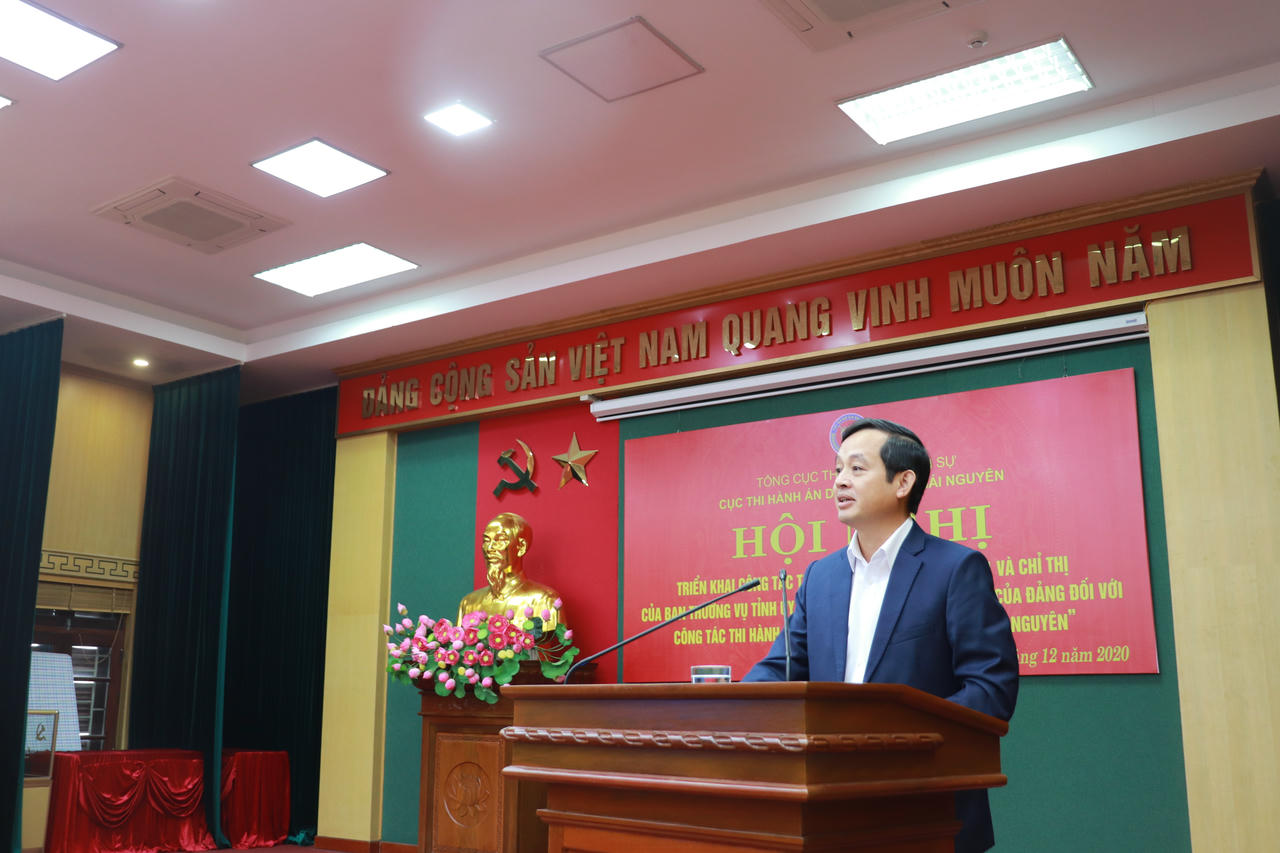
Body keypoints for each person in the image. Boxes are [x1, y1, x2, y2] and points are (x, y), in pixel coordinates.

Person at [744, 417, 1018, 853]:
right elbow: (782, 669)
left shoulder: (955, 569)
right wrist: (726, 712)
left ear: (903, 482)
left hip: (927, 812)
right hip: (830, 811)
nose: (839, 481)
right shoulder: (820, 577)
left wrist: (891, 740)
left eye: (856, 468)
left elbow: (990, 690)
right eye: (837, 470)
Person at [458, 512, 562, 630]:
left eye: (500, 540)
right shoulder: (469, 603)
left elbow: (553, 640)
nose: (489, 548)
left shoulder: (544, 600)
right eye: (486, 540)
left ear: (521, 547)